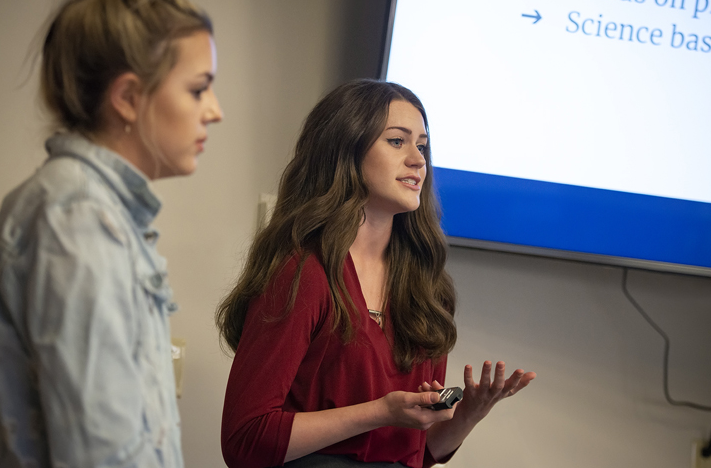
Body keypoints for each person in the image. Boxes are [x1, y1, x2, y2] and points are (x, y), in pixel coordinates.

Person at [0, 0, 222, 467]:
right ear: (128, 98)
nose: (214, 110)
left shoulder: (98, 212)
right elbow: (101, 453)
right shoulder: (76, 219)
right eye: (198, 89)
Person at [216, 79, 535, 468]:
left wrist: (468, 414)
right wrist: (380, 411)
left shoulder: (427, 290)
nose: (418, 160)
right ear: (345, 150)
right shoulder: (302, 273)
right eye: (397, 141)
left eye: (423, 146)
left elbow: (415, 455)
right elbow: (246, 440)